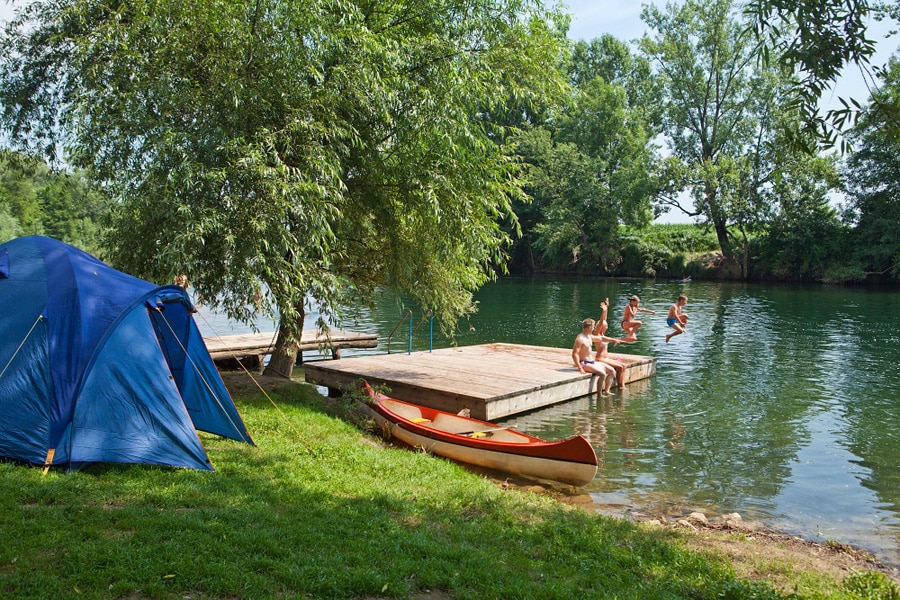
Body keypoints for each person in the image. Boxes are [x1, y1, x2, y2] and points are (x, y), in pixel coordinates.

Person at [572, 317, 622, 396]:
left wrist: (614, 340)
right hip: (584, 363)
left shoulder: (589, 336)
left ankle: (607, 391)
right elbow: (575, 354)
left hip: (592, 362)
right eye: (593, 326)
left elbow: (602, 338)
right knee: (602, 373)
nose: (594, 328)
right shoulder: (580, 339)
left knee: (612, 371)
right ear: (589, 327)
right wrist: (580, 367)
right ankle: (600, 395)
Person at [593, 298, 627, 388]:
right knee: (620, 367)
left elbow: (604, 320)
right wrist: (603, 311)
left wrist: (607, 308)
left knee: (624, 365)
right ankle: (621, 386)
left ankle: (622, 384)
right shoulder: (597, 335)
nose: (606, 325)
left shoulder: (603, 334)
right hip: (600, 359)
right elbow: (601, 322)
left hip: (606, 358)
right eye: (605, 325)